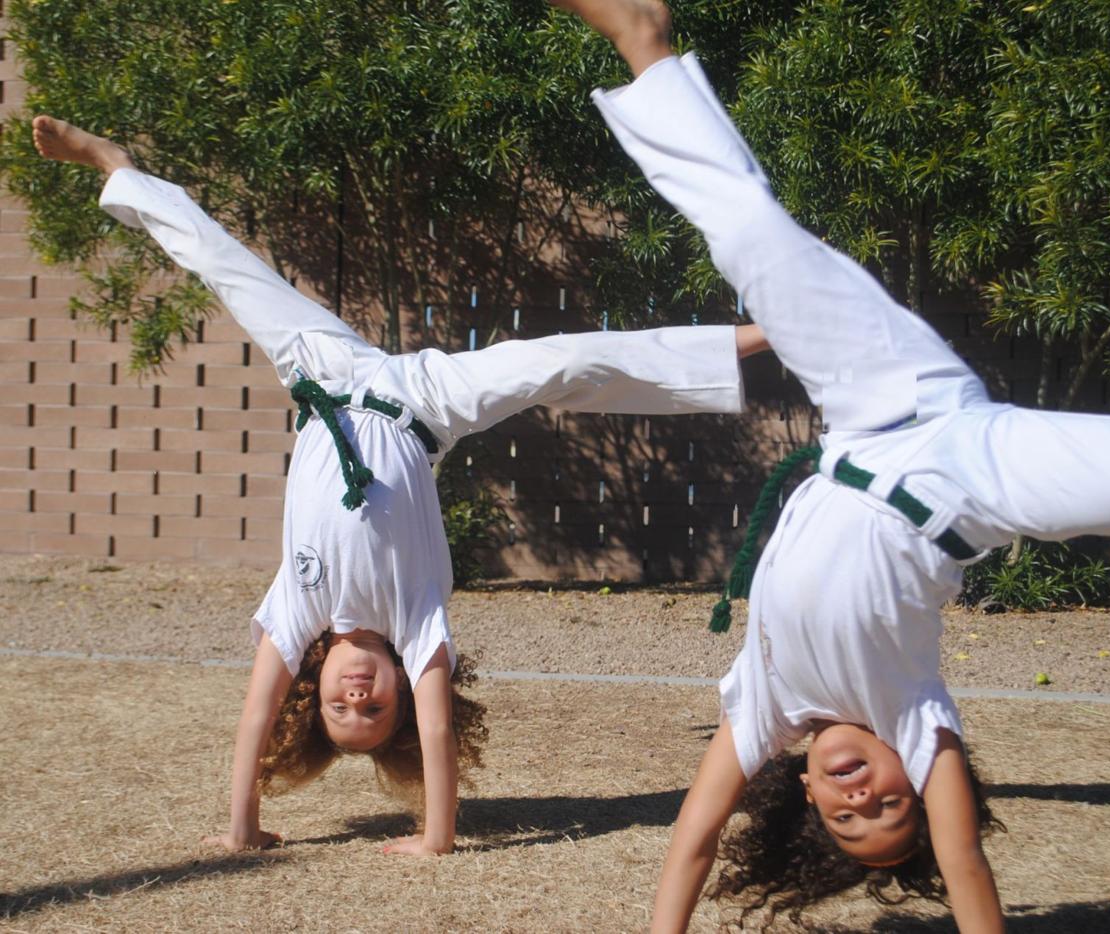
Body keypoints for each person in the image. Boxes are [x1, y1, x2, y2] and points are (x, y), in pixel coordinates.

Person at [551, 1, 1110, 931]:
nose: (860, 799)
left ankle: (641, 36)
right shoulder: (915, 722)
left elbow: (693, 838)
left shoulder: (762, 709)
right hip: (970, 467)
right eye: (888, 808)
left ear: (806, 793)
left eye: (845, 817)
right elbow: (963, 860)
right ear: (928, 786)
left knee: (750, 237)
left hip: (860, 417)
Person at [32, 114, 768, 856]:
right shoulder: (417, 623)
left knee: (223, 263)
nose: (357, 696)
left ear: (313, 686)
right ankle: (748, 342)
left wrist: (242, 828)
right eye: (374, 708)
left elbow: (255, 716)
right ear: (401, 692)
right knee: (564, 360)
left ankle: (114, 166)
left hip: (321, 371)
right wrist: (436, 838)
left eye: (340, 707)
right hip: (423, 403)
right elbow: (439, 728)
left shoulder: (297, 610)